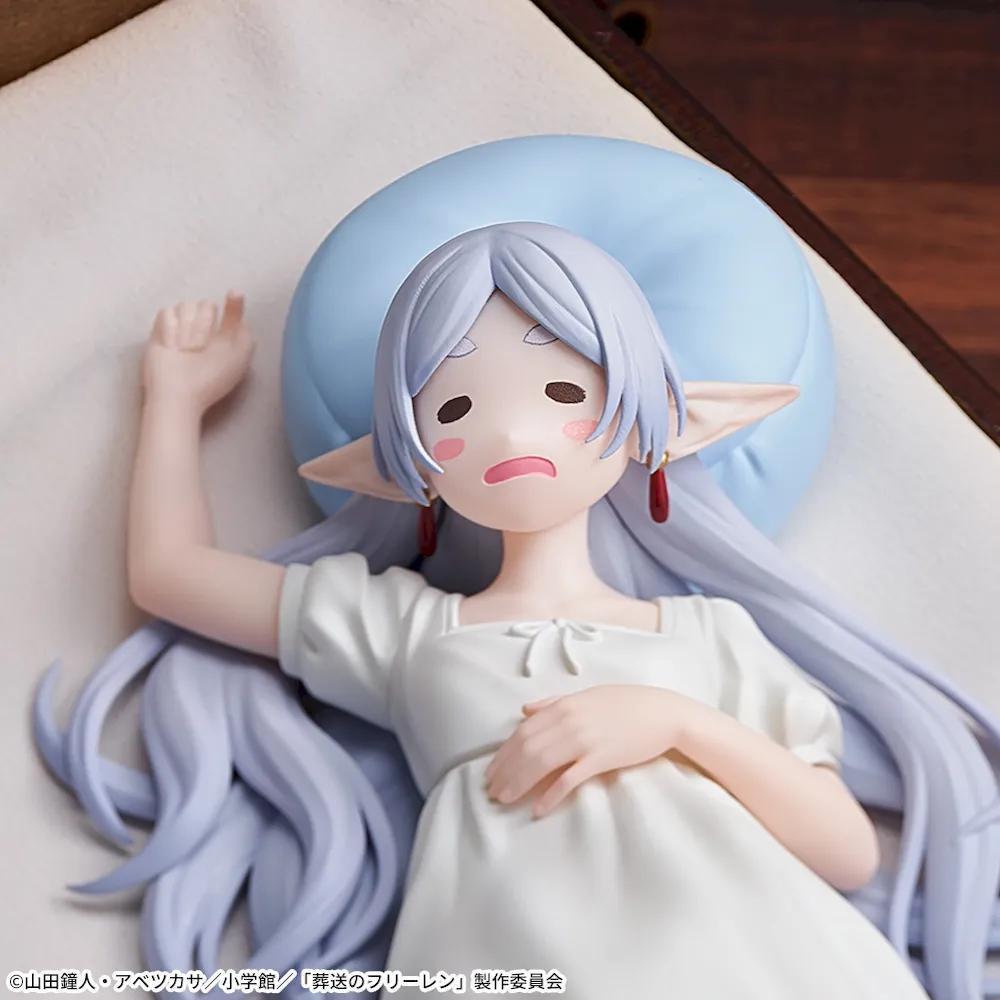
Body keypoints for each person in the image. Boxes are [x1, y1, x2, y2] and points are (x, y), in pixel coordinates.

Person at [37, 223, 999, 999]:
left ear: (645, 419)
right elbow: (169, 574)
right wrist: (173, 400)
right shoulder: (408, 633)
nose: (508, 430)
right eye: (454, 411)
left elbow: (841, 849)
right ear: (413, 466)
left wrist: (675, 723)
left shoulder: (711, 637)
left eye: (562, 389)